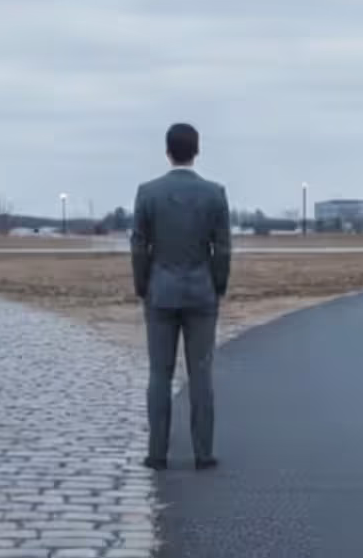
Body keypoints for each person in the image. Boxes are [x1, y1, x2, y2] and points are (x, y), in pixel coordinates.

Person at [131, 122, 232, 471]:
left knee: (159, 374)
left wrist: (142, 285)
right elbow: (223, 247)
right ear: (197, 150)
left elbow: (139, 245)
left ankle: (157, 453)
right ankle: (203, 453)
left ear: (167, 151)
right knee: (201, 374)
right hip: (201, 292)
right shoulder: (215, 193)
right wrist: (218, 285)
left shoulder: (148, 193)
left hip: (161, 291)